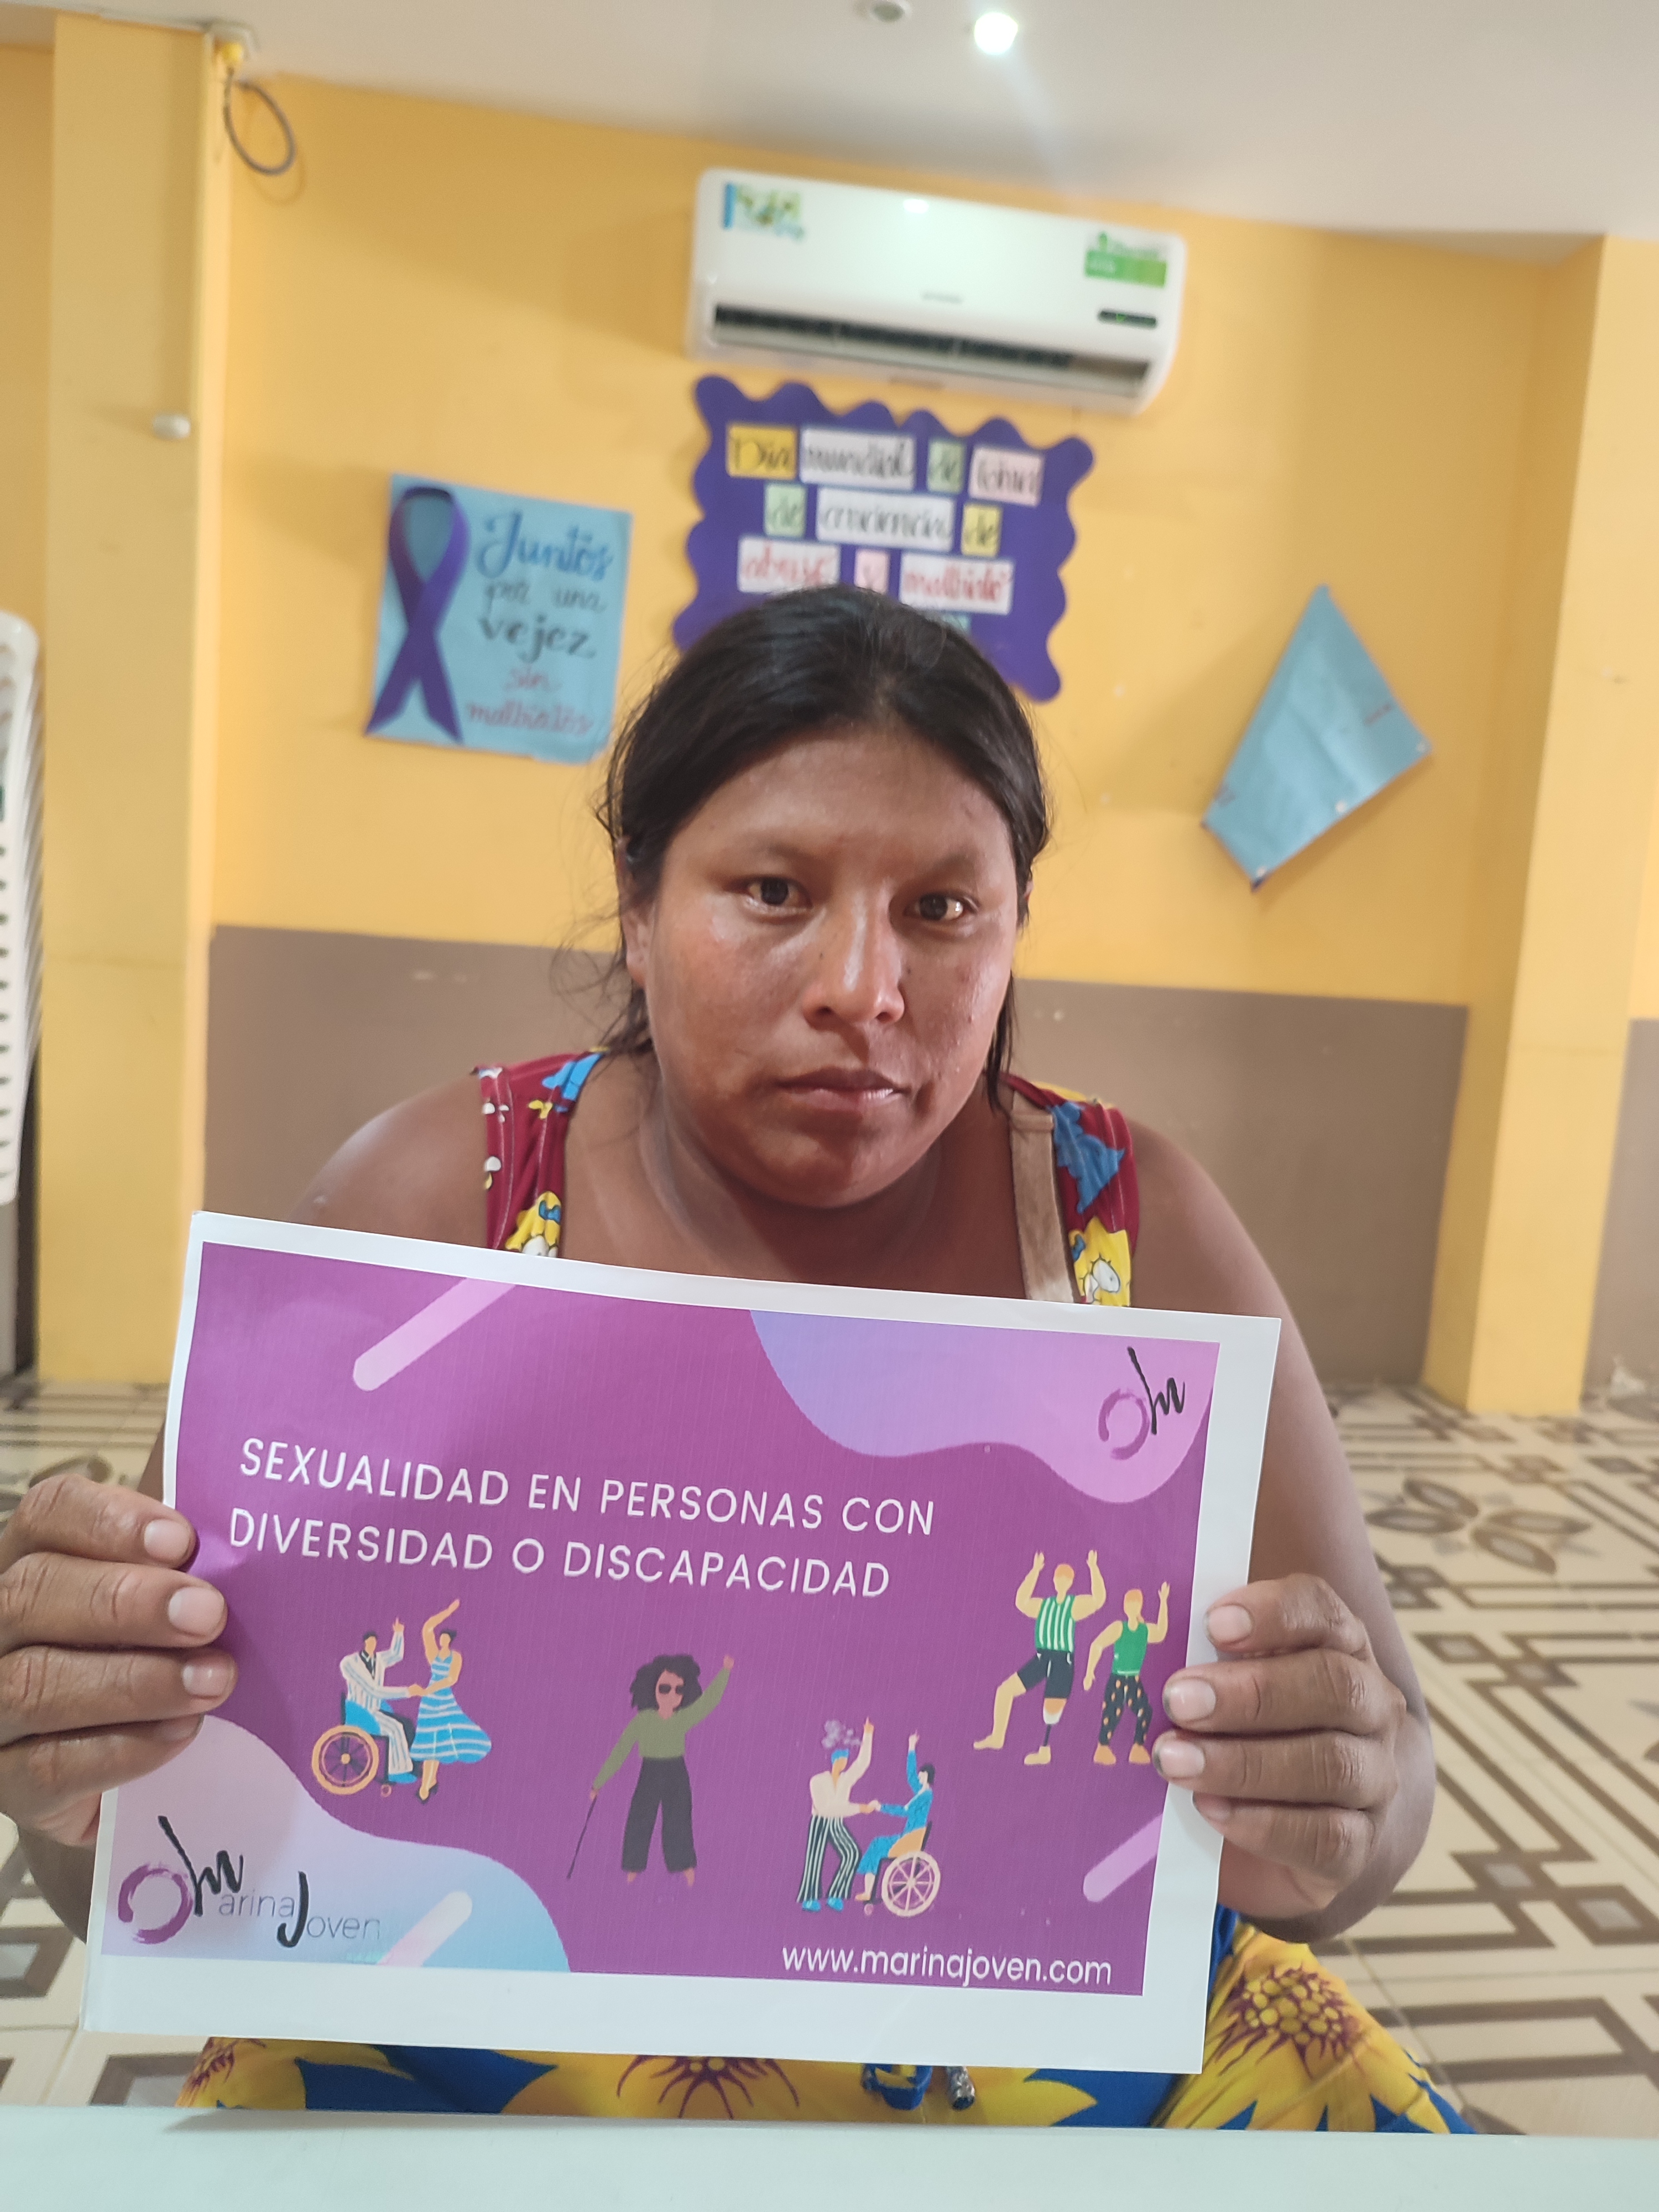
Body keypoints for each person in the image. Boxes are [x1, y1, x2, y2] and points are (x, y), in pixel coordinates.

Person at [0, 588, 1464, 2130]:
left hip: (1036, 2055)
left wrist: (1337, 1803)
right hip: (481, 2043)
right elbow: (120, 1873)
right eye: (773, 890)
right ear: (637, 907)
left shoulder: (1125, 1234)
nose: (862, 986)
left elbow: (1370, 1823)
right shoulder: (437, 1213)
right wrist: (70, 1759)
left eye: (941, 908)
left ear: (1014, 925)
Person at [592, 1652, 731, 1886]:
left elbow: (708, 1703)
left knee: (678, 1818)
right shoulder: (643, 1720)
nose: (671, 1695)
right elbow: (620, 1751)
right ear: (652, 1688)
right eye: (665, 1688)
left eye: (678, 1690)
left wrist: (725, 1672)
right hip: (650, 1772)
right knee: (640, 1817)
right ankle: (633, 1866)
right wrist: (599, 1783)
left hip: (676, 1771)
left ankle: (684, 1865)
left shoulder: (682, 1718)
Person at [974, 1549, 1105, 1764]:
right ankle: (998, 1737)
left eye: (1065, 1579)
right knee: (1005, 1690)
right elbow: (1021, 1601)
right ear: (1054, 1581)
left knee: (1052, 1708)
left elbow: (1098, 1600)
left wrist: (1093, 1568)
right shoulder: (1044, 1605)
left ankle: (1045, 1751)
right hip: (1042, 1658)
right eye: (1058, 1578)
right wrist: (1035, 1571)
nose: (1061, 1582)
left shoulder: (1074, 1606)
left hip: (1062, 1660)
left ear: (1071, 1582)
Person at [405, 1600, 491, 1802]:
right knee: (429, 1743)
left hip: (442, 1699)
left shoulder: (456, 1657)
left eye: (445, 1638)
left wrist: (429, 1690)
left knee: (440, 1742)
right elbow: (427, 1629)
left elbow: (452, 1679)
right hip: (429, 1703)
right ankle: (428, 1782)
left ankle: (429, 1782)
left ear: (450, 1640)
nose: (441, 1640)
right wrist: (448, 1611)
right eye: (441, 1637)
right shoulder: (434, 1655)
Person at [1084, 1582, 1171, 1766]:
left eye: (1136, 1604)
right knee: (1113, 1712)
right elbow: (1097, 1644)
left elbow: (1161, 1633)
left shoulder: (1144, 1630)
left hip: (1134, 1679)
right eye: (1130, 1604)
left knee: (1145, 1711)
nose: (1133, 1607)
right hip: (1117, 1678)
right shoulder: (1119, 1628)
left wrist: (1163, 1602)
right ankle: (1102, 1748)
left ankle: (1137, 1747)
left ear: (1141, 1606)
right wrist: (1090, 1672)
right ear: (1125, 1607)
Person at [798, 1719, 877, 1912]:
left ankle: (836, 1894)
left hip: (836, 1823)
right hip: (820, 1822)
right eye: (842, 1759)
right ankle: (810, 1898)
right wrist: (859, 1808)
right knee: (815, 1858)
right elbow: (826, 1809)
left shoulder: (845, 1780)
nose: (845, 1763)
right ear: (834, 1760)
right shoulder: (818, 1781)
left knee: (853, 1852)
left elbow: (862, 1764)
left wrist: (868, 1734)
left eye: (846, 1759)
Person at [853, 1732, 934, 1909]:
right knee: (877, 1844)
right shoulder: (922, 1792)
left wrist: (880, 1807)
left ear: (927, 1776)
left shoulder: (926, 1795)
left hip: (910, 1838)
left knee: (877, 1846)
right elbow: (911, 1777)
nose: (919, 1777)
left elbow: (905, 1811)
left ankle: (869, 1889)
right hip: (908, 1835)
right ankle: (868, 1889)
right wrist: (911, 1747)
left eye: (921, 1775)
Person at [338, 1620, 418, 1785]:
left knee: (398, 1727)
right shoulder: (350, 1663)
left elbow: (396, 1655)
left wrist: (399, 1634)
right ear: (364, 1643)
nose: (372, 1645)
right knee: (393, 1729)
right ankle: (395, 1772)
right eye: (370, 1642)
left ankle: (400, 1770)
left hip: (373, 1710)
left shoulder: (379, 1659)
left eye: (375, 1642)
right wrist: (407, 1691)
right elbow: (373, 1690)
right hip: (359, 1712)